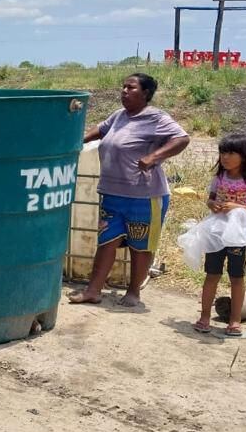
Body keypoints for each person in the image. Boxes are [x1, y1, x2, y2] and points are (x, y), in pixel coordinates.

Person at [69, 73, 190, 307]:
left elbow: (182, 138)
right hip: (112, 194)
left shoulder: (155, 117)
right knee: (106, 242)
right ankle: (93, 291)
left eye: (131, 87)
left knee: (140, 245)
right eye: (123, 87)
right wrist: (76, 141)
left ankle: (134, 292)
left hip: (144, 196)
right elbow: (101, 130)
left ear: (145, 93)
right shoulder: (119, 116)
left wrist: (154, 156)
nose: (124, 91)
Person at [192, 133, 246, 336]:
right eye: (222, 152)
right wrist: (213, 204)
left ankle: (235, 321)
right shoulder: (219, 178)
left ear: (244, 155)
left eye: (231, 153)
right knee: (212, 274)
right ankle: (204, 317)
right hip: (216, 233)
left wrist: (238, 207)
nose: (225, 157)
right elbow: (210, 200)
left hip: (239, 236)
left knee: (236, 277)